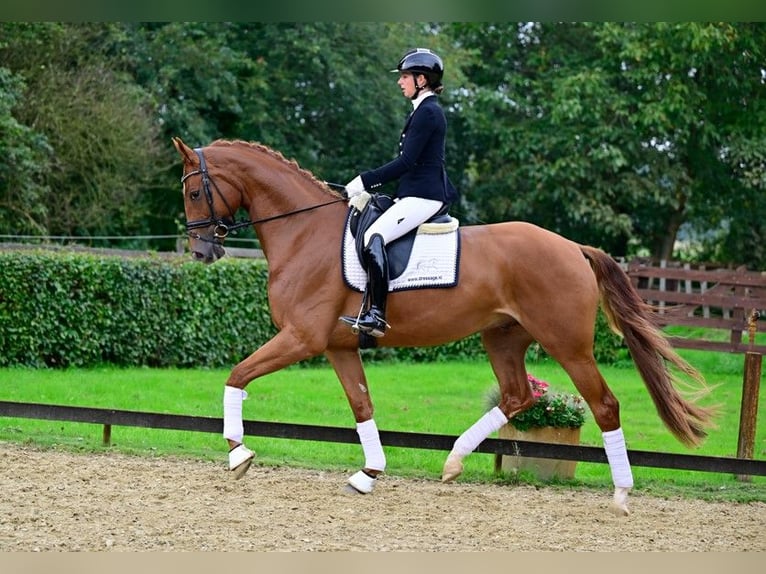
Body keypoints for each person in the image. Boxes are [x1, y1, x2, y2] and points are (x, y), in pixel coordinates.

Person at [339, 48, 459, 338]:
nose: (399, 82)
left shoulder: (429, 112)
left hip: (426, 195)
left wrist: (365, 181)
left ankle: (377, 315)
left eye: (405, 77)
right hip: (414, 193)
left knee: (373, 237)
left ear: (422, 79)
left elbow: (407, 163)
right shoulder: (421, 111)